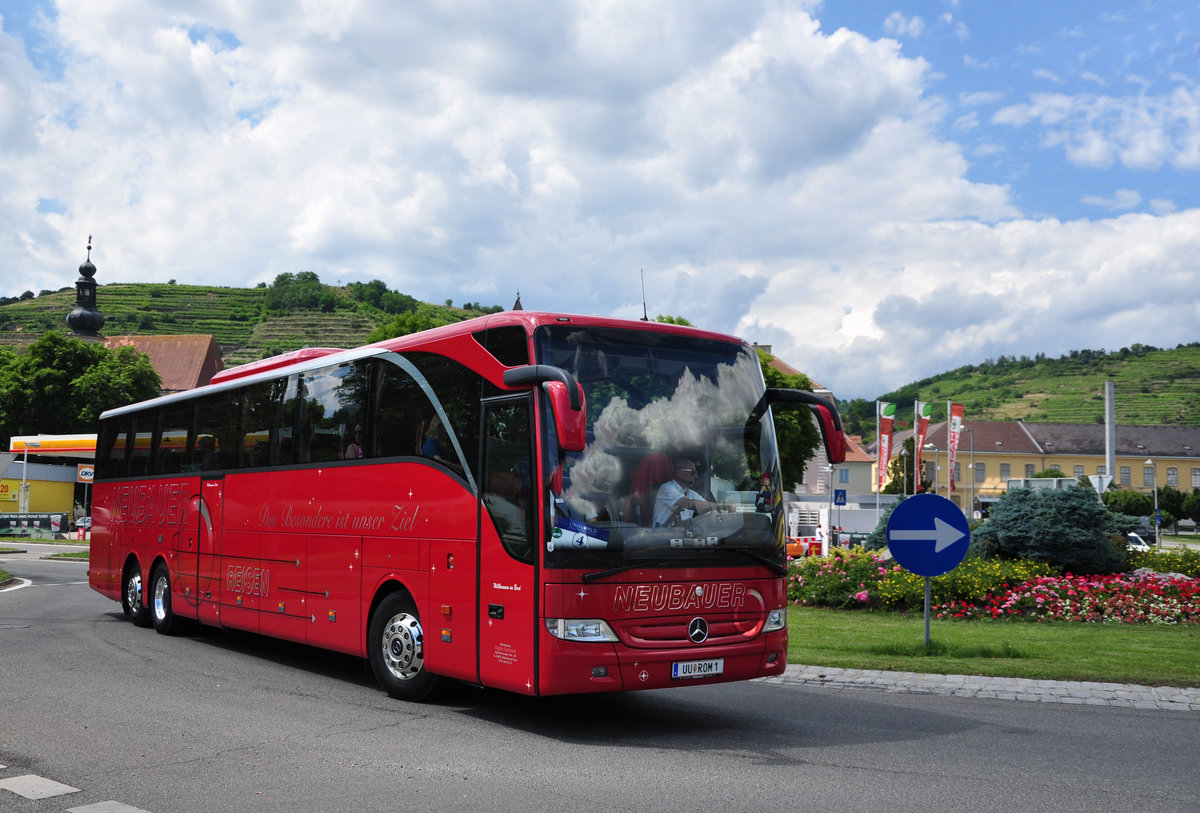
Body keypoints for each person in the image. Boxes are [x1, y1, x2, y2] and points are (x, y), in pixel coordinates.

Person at [652, 455, 730, 527]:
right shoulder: (666, 488)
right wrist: (721, 505)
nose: (696, 476)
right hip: (661, 535)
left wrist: (713, 513)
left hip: (680, 535)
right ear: (679, 473)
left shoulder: (691, 494)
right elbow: (689, 504)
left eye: (696, 473)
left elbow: (707, 508)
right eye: (692, 472)